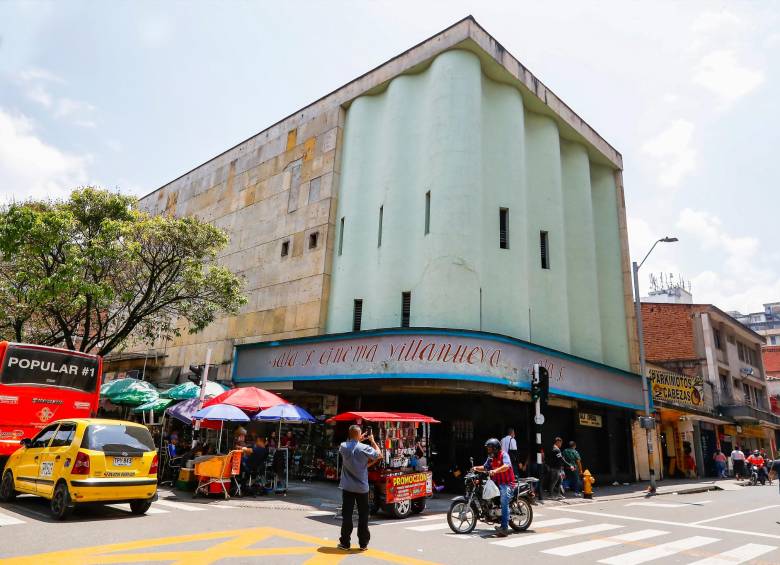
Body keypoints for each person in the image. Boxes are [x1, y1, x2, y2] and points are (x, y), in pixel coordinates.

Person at [337, 424, 381, 552]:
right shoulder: (365, 448)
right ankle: (363, 544)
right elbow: (378, 454)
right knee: (363, 516)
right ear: (359, 434)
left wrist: (356, 439)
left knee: (347, 515)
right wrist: (372, 441)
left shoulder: (343, 446)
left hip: (347, 487)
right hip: (362, 488)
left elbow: (351, 444)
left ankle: (345, 543)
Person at [473, 438, 516, 537]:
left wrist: (495, 471)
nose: (488, 451)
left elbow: (506, 466)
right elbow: (485, 467)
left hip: (507, 483)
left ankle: (504, 528)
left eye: (490, 449)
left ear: (496, 448)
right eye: (488, 449)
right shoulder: (491, 458)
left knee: (504, 499)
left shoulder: (504, 455)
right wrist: (475, 468)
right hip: (496, 482)